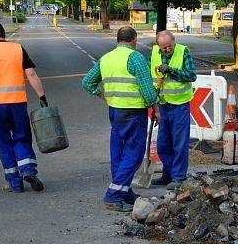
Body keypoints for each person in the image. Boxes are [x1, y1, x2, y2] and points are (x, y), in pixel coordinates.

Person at [82, 26, 160, 212]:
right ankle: (113, 193)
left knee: (119, 150)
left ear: (118, 40)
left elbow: (87, 82)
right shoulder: (136, 58)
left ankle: (124, 190)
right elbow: (147, 89)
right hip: (133, 111)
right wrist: (155, 109)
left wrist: (103, 96)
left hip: (115, 111)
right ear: (134, 40)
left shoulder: (106, 58)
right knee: (134, 153)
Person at [0, 22, 46, 193]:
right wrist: (42, 98)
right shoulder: (17, 48)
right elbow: (31, 74)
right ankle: (28, 170)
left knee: (3, 141)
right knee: (22, 137)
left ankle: (14, 183)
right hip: (17, 103)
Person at [150, 30, 197, 190]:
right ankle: (167, 174)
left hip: (179, 104)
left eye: (169, 46)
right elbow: (153, 79)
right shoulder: (155, 53)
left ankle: (178, 177)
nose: (167, 50)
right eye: (164, 48)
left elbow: (191, 75)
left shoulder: (183, 51)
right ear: (158, 46)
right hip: (162, 104)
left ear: (174, 42)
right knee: (163, 143)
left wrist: (170, 70)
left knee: (179, 143)